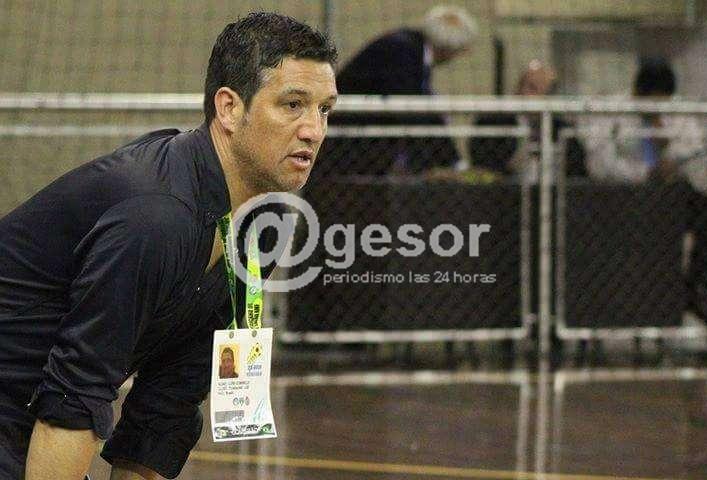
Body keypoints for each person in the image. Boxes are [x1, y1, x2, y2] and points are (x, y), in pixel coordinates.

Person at [0, 12, 337, 480]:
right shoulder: (156, 216)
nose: (314, 130)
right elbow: (75, 395)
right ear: (229, 108)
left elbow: (168, 404)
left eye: (324, 110)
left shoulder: (264, 224)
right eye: (293, 105)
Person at [579, 57, 707, 325]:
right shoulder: (611, 112)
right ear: (637, 93)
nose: (657, 109)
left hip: (668, 195)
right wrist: (643, 173)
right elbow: (599, 163)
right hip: (623, 195)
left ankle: (698, 287)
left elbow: (694, 150)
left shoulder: (677, 113)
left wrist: (667, 148)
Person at [315, 5, 478, 177]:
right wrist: (449, 162)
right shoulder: (403, 52)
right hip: (348, 146)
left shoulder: (410, 49)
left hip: (352, 143)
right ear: (449, 49)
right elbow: (414, 110)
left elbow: (421, 109)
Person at [470, 60, 587, 182]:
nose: (524, 92)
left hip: (554, 190)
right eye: (525, 86)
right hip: (506, 190)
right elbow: (482, 168)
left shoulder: (562, 129)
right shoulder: (491, 124)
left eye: (535, 89)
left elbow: (578, 172)